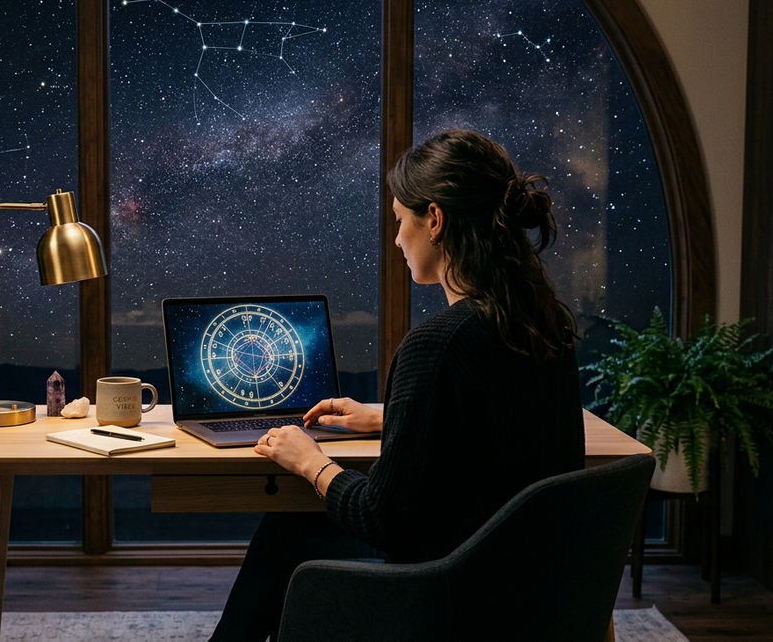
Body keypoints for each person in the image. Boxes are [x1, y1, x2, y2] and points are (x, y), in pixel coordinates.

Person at [208, 129, 586, 641]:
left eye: (399, 221)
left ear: (434, 220)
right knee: (295, 528)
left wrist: (310, 462)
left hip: (445, 593)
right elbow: (502, 427)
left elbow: (381, 519)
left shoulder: (439, 344)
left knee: (288, 528)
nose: (396, 240)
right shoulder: (542, 324)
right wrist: (391, 416)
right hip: (526, 588)